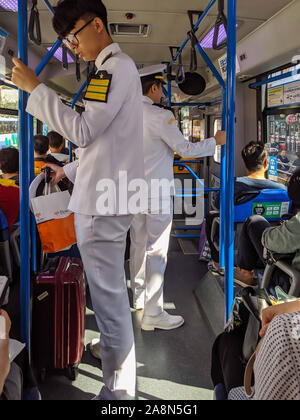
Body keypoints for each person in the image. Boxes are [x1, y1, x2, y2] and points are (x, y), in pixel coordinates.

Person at [12, 0, 144, 401]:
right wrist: (67, 171)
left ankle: (118, 395)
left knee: (110, 305)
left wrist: (37, 90)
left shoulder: (114, 69)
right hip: (109, 198)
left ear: (98, 25)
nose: (72, 46)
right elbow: (101, 145)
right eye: (67, 40)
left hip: (102, 207)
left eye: (74, 36)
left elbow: (83, 131)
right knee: (110, 298)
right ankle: (111, 357)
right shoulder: (114, 71)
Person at [89, 65, 226, 358]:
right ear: (153, 88)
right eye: (161, 88)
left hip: (130, 192)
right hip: (157, 195)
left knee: (138, 245)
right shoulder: (159, 116)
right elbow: (186, 149)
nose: (162, 92)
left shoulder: (119, 116)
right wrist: (216, 141)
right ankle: (153, 311)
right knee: (157, 251)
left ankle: (138, 296)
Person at [206, 141, 286, 275]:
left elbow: (218, 205)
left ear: (244, 163)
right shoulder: (282, 190)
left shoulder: (233, 186)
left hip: (236, 252)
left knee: (211, 217)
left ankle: (218, 263)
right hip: (270, 253)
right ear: (266, 164)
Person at [234, 168, 300, 287]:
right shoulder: (279, 188)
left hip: (292, 283)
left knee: (254, 221)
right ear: (266, 164)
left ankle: (245, 273)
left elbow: (269, 241)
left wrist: (277, 231)